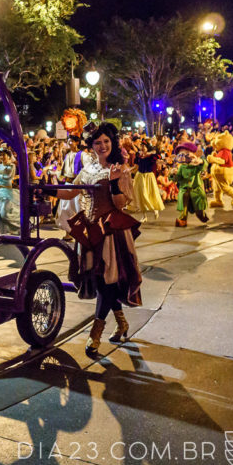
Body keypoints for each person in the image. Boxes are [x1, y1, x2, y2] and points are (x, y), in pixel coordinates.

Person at [56, 123, 142, 357]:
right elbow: (71, 191)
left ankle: (95, 334)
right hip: (91, 231)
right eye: (97, 142)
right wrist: (47, 188)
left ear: (112, 142)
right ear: (91, 146)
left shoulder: (120, 168)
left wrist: (114, 182)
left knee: (107, 281)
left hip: (111, 233)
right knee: (102, 282)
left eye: (106, 141)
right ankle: (122, 323)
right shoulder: (88, 169)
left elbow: (121, 204)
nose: (102, 146)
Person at [132, 143, 164, 222]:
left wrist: (160, 162)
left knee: (150, 193)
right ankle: (144, 216)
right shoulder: (138, 156)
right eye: (141, 146)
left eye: (144, 146)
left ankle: (155, 209)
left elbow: (159, 158)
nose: (142, 148)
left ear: (147, 148)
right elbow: (135, 167)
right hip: (139, 176)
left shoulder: (152, 156)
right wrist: (127, 171)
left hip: (148, 177)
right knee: (141, 195)